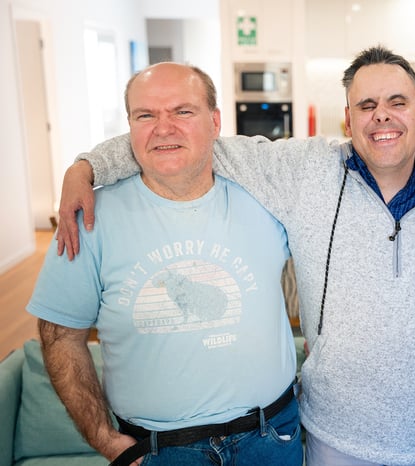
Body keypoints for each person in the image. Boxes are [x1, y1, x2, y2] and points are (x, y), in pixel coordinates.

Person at [56, 46, 415, 466]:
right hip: (333, 438)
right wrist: (86, 166)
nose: (383, 116)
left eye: (397, 103)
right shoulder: (302, 172)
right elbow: (181, 134)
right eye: (366, 105)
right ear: (348, 120)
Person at [27, 63, 302, 466]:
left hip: (271, 437)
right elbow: (59, 336)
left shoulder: (267, 200)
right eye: (146, 115)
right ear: (129, 127)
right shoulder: (88, 217)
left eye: (182, 111)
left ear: (215, 122)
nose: (163, 128)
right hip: (159, 450)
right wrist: (105, 438)